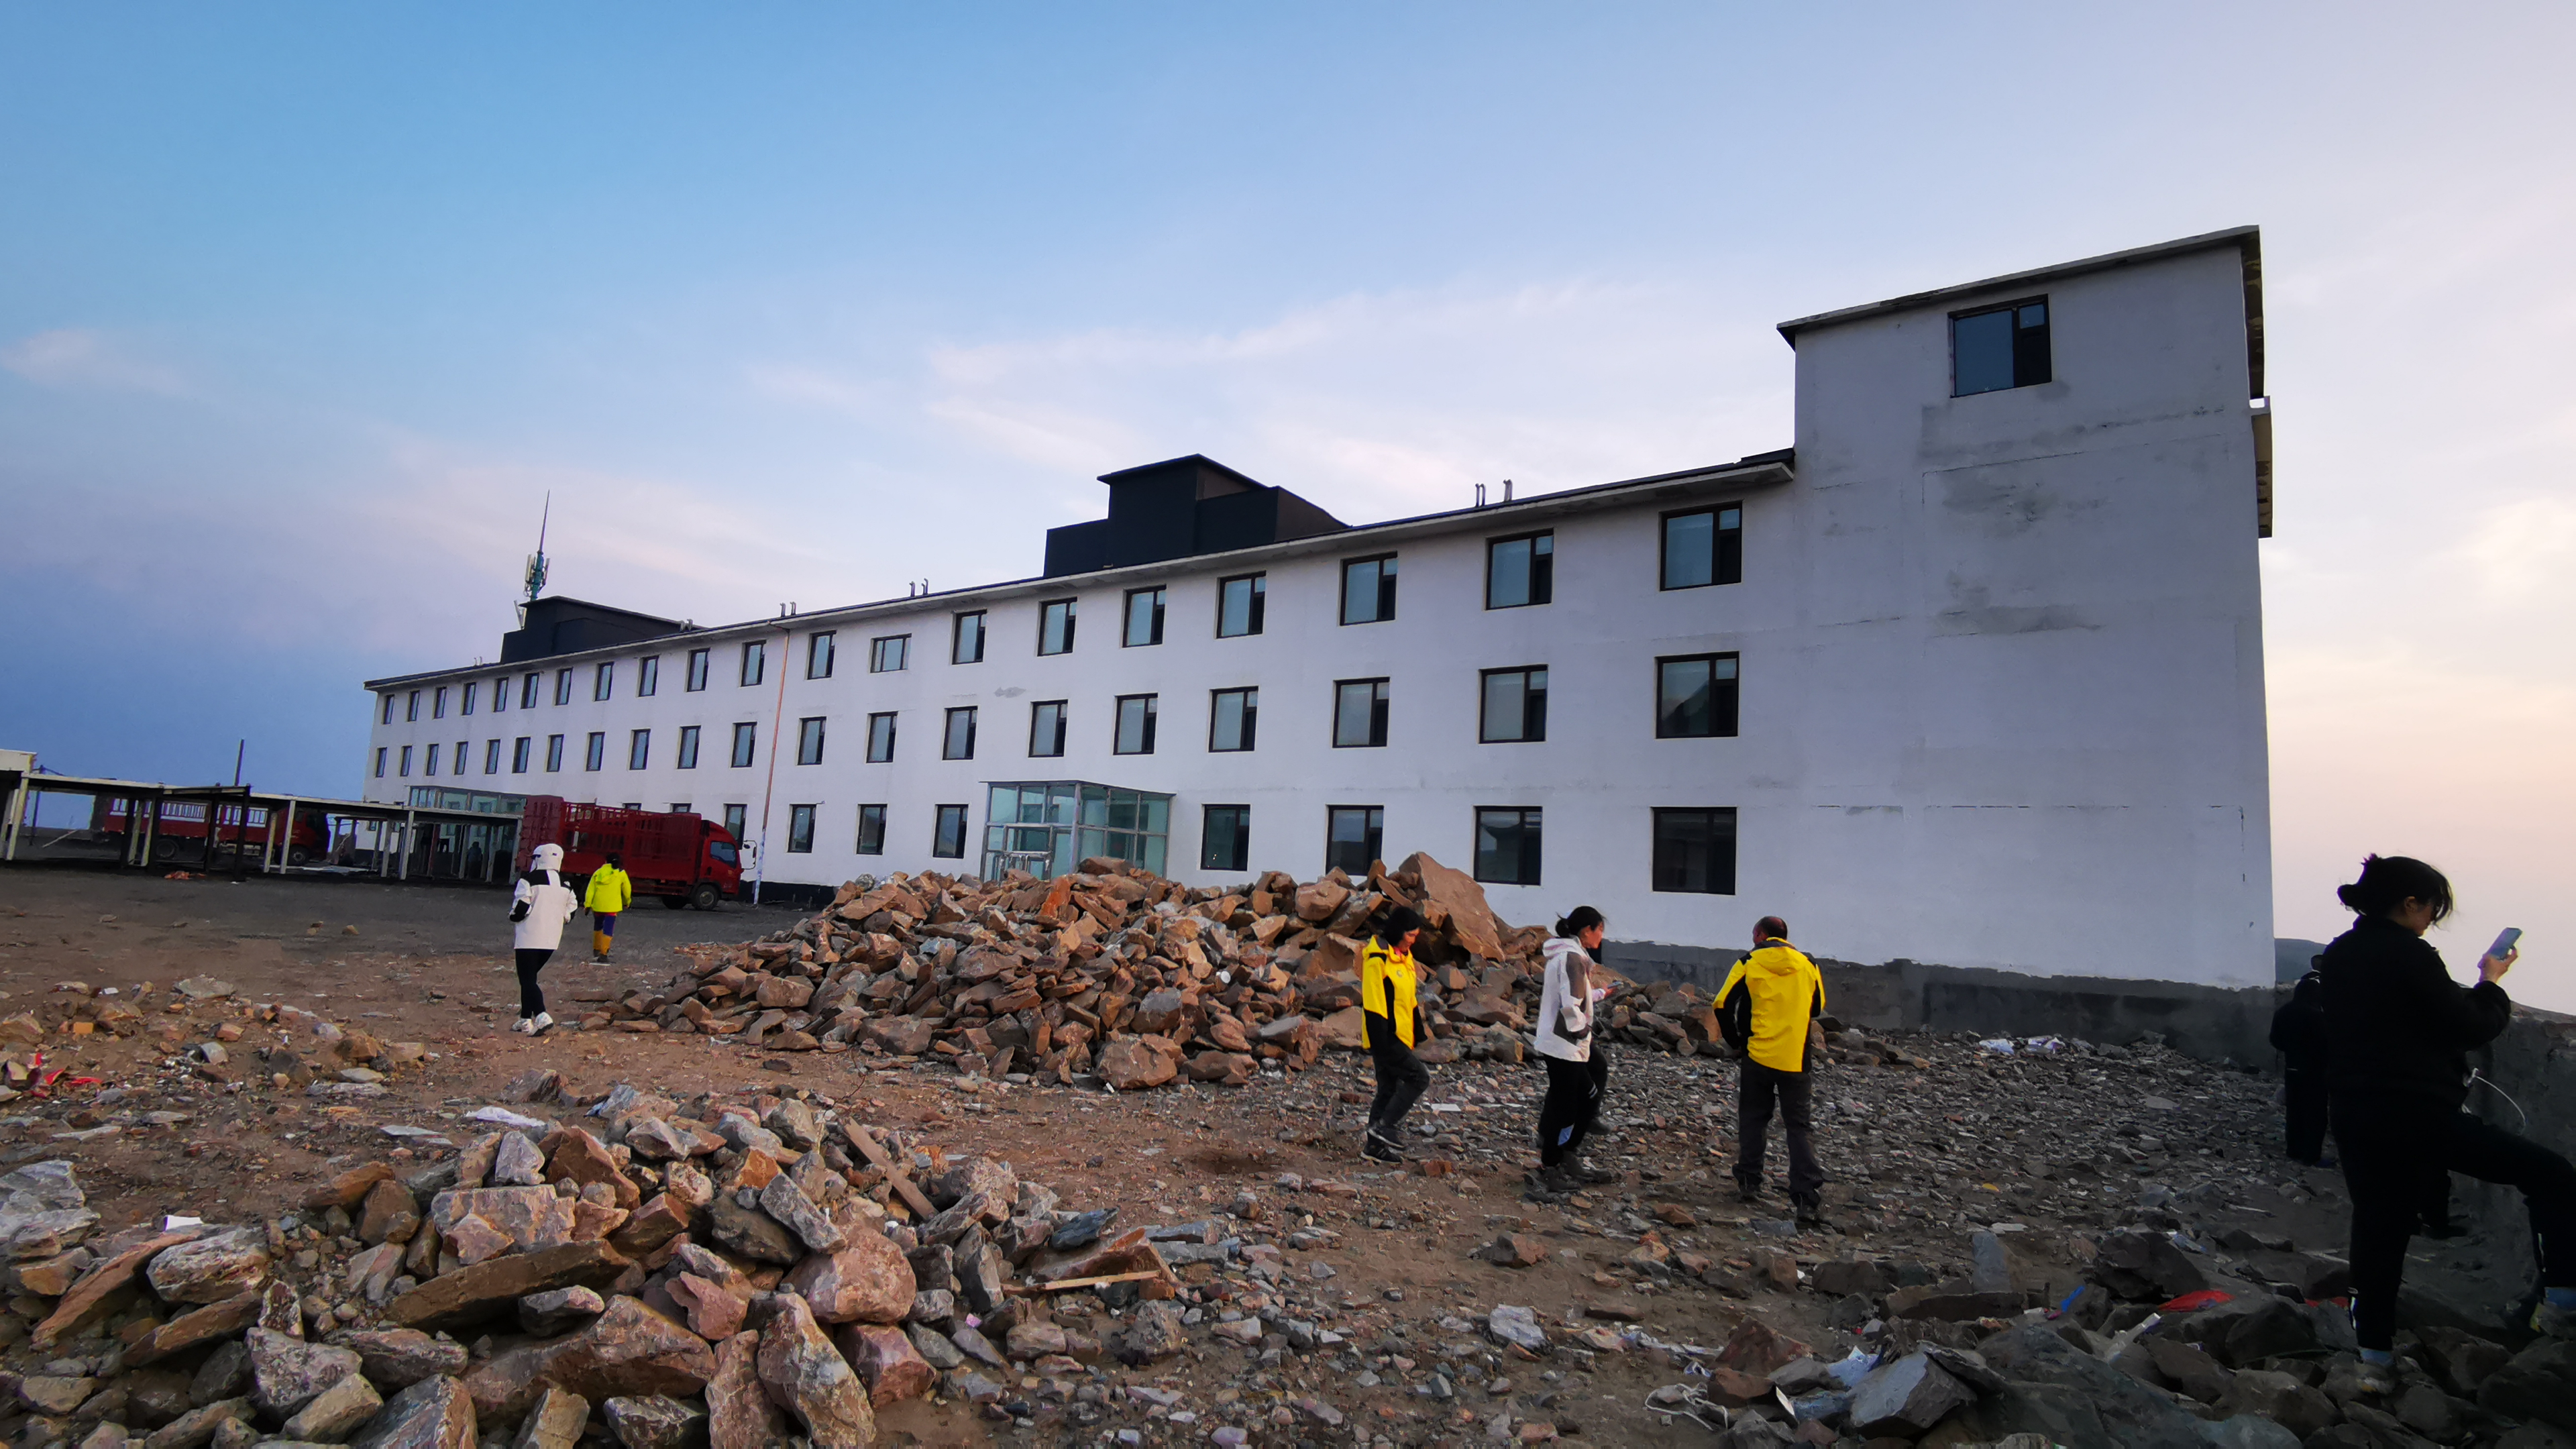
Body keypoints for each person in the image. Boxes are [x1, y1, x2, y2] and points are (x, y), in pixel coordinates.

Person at [2318, 853, 2576, 1385]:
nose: (2432, 919)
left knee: (2379, 1227)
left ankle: (2374, 1360)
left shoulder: (2342, 954)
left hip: (2353, 1109)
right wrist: (2492, 981)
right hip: (2416, 1112)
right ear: (2410, 903)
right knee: (2551, 1176)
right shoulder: (2409, 955)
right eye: (2433, 908)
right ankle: (2561, 1304)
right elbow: (2469, 1024)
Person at [1716, 915, 1827, 1222]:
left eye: (1754, 934)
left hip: (1759, 1054)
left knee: (1753, 1118)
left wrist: (1735, 1041)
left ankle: (1750, 1181)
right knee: (1798, 1126)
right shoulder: (1808, 964)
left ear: (1761, 935)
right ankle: (1806, 1197)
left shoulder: (1749, 961)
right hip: (1795, 1058)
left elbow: (1721, 1004)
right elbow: (1817, 1007)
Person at [1532, 906, 1617, 1193]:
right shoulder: (1571, 958)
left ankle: (1562, 1156)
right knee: (1570, 1103)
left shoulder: (1570, 956)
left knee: (1576, 1096)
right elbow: (1570, 1005)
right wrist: (1583, 1032)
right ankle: (1552, 1164)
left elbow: (1575, 996)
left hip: (1563, 1043)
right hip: (1564, 1044)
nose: (1602, 936)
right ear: (1587, 931)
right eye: (1600, 930)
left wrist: (1599, 995)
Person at [1360, 906, 1433, 1163]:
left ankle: (1374, 1147)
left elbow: (1409, 999)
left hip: (1401, 1036)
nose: (1414, 940)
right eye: (1411, 935)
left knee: (1389, 1089)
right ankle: (1384, 1127)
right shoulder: (1377, 960)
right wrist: (1381, 1044)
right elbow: (1374, 1003)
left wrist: (1418, 1032)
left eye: (1416, 935)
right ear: (1398, 932)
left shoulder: (1404, 958)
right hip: (1384, 1037)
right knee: (1419, 1078)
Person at [508, 843, 580, 1035]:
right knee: (529, 978)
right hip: (552, 938)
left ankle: (541, 1015)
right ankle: (525, 1020)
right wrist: (563, 917)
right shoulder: (566, 884)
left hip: (529, 936)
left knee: (527, 979)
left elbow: (521, 908)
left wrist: (513, 917)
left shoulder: (528, 880)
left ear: (539, 859)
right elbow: (573, 907)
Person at [2270, 959, 2330, 1165]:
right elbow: (2326, 1044)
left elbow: (2274, 1039)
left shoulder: (2283, 1012)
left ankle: (2293, 1149)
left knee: (2294, 1110)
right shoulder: (2317, 1016)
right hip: (2315, 1071)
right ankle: (2312, 1155)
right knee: (2316, 1113)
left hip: (2292, 1067)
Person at [584, 851, 633, 962]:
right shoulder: (621, 873)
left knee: (598, 926)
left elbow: (590, 890)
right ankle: (604, 953)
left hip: (598, 905)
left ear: (606, 861)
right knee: (608, 929)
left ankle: (596, 949)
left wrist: (587, 904)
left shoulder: (598, 872)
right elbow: (627, 889)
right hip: (612, 907)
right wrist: (627, 901)